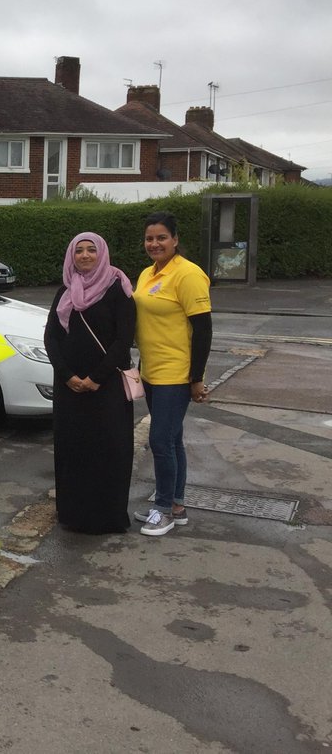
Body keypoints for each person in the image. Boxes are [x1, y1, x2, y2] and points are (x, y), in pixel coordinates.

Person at [44, 233, 137, 534]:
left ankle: (106, 518)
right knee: (74, 449)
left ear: (102, 254)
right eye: (78, 251)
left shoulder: (117, 289)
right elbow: (52, 337)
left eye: (91, 250)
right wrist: (67, 375)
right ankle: (73, 514)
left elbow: (124, 341)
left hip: (106, 387)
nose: (84, 256)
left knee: (108, 450)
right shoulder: (65, 291)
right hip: (69, 388)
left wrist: (95, 378)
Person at [133, 211, 212, 537]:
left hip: (176, 375)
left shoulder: (188, 274)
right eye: (150, 238)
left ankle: (163, 509)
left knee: (160, 441)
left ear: (175, 240)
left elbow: (204, 330)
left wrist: (197, 377)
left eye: (161, 237)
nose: (155, 243)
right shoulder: (147, 274)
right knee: (172, 439)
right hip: (151, 371)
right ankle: (176, 506)